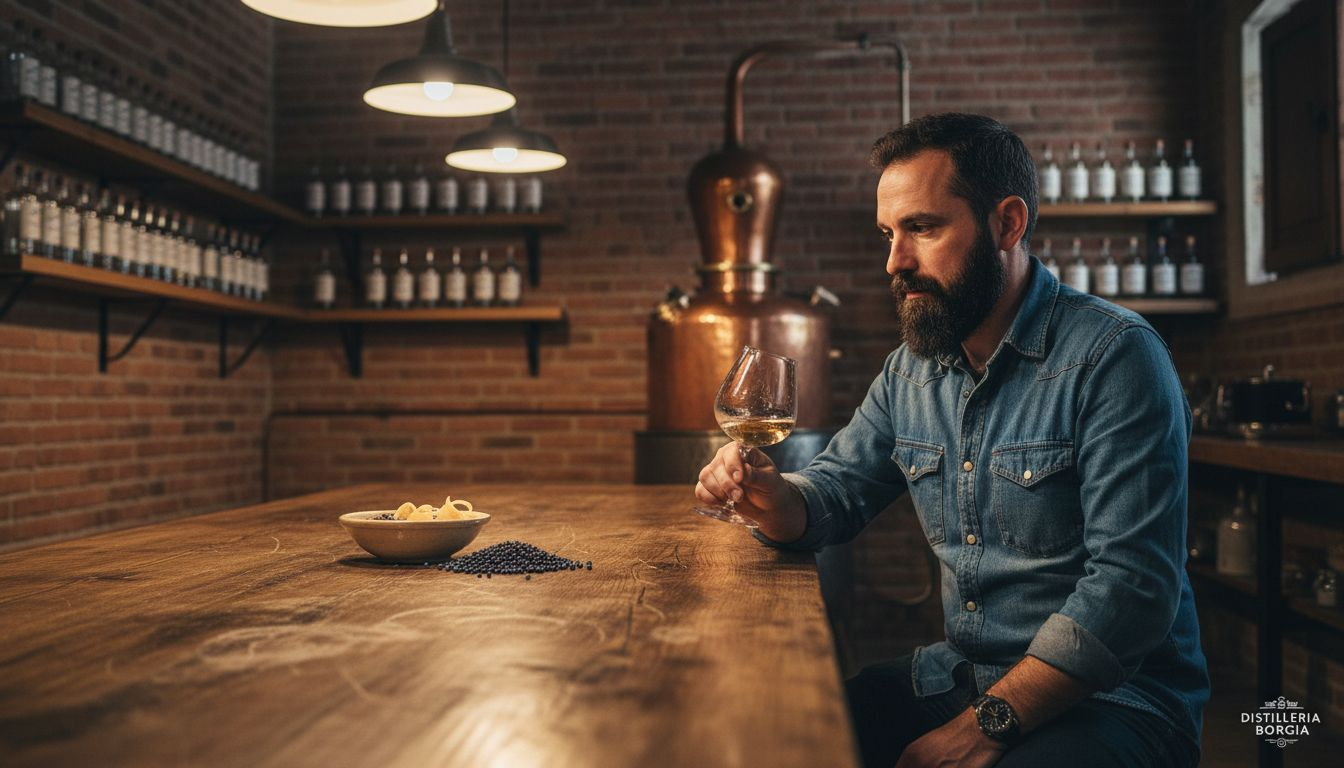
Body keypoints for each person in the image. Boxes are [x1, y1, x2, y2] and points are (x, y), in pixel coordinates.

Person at [694, 113, 1209, 768]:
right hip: (961, 677)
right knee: (768, 733)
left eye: (923, 228)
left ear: (1007, 223)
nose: (894, 262)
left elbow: (1132, 591)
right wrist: (767, 494)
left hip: (1115, 703)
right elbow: (833, 496)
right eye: (888, 233)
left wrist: (981, 730)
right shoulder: (912, 371)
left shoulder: (1116, 357)